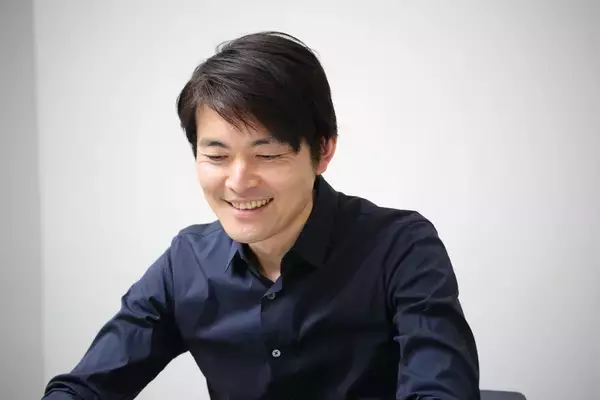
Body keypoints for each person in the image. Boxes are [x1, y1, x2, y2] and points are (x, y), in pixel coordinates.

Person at [42, 31, 480, 399]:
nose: (238, 181)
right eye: (217, 156)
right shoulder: (186, 262)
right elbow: (84, 388)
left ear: (323, 151)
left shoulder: (400, 247)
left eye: (267, 154)